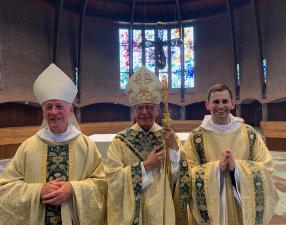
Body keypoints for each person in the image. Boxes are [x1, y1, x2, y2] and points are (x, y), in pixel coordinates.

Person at [0, 63, 107, 225]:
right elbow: (5, 186)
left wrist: (73, 190)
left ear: (71, 111)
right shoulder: (29, 147)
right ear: (43, 112)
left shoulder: (85, 145)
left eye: (59, 106)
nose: (53, 112)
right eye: (48, 107)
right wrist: (37, 191)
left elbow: (102, 183)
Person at [105, 66, 190, 225]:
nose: (144, 112)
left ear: (157, 110)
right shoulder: (120, 141)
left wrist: (173, 148)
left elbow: (181, 176)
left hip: (162, 209)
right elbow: (112, 178)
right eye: (140, 107)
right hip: (130, 212)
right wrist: (144, 166)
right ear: (133, 111)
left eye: (149, 107)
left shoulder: (169, 137)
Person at [184, 84, 278, 225]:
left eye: (225, 101)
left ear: (232, 104)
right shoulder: (196, 137)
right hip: (211, 207)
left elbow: (267, 166)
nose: (220, 106)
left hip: (242, 206)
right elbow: (186, 173)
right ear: (207, 105)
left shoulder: (249, 133)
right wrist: (216, 168)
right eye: (216, 102)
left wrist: (237, 168)